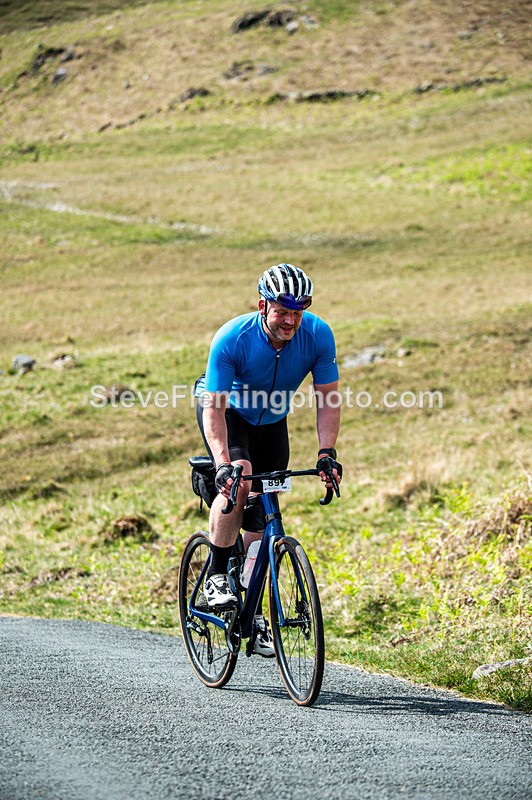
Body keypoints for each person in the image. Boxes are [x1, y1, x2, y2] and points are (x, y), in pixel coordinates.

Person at [195, 263, 342, 656]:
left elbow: (327, 397)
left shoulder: (317, 335)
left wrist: (326, 452)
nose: (291, 320)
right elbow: (213, 410)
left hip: (273, 422)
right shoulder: (233, 337)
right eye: (282, 310)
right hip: (229, 414)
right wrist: (224, 462)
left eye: (299, 311)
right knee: (239, 481)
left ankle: (252, 610)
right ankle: (214, 575)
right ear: (263, 305)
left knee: (264, 512)